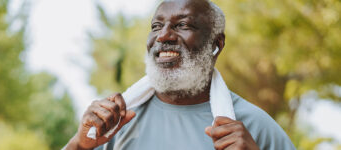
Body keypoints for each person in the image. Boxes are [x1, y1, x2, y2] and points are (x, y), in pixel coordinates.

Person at [64, 0, 296, 149]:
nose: (163, 36)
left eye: (182, 25)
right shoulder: (114, 121)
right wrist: (79, 145)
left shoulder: (254, 126)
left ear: (216, 43)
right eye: (156, 26)